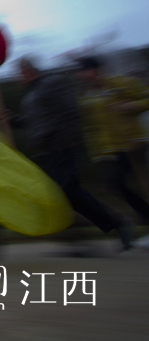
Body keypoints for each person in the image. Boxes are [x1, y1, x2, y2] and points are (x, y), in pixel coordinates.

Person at [0, 56, 133, 250]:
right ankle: (84, 237)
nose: (15, 79)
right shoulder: (32, 94)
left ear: (26, 71)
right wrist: (11, 119)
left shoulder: (51, 84)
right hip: (49, 150)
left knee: (68, 191)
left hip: (62, 146)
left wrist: (62, 137)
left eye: (17, 74)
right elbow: (35, 121)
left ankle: (114, 225)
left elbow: (71, 111)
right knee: (62, 194)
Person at [75, 56, 149, 246]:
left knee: (141, 184)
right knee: (114, 184)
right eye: (81, 71)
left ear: (99, 69)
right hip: (110, 149)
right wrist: (95, 152)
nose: (83, 74)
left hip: (132, 142)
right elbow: (90, 127)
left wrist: (130, 105)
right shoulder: (85, 95)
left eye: (87, 70)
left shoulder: (121, 83)